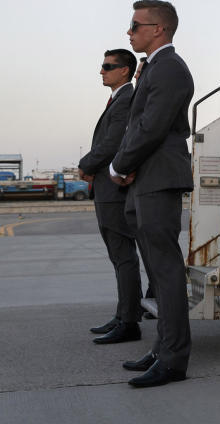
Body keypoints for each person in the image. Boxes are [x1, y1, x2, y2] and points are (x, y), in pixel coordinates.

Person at [110, 0, 194, 388]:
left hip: (157, 176)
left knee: (166, 271)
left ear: (158, 29)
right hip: (146, 177)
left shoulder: (170, 68)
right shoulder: (154, 68)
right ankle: (162, 347)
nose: (129, 32)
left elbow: (150, 127)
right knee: (157, 273)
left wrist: (118, 164)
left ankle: (174, 359)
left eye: (135, 25)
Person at [78, 49, 143, 344]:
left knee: (122, 255)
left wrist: (86, 165)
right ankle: (123, 314)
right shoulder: (119, 98)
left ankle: (129, 321)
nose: (101, 71)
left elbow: (111, 143)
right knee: (119, 256)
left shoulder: (126, 98)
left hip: (112, 190)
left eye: (108, 66)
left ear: (124, 70)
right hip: (107, 188)